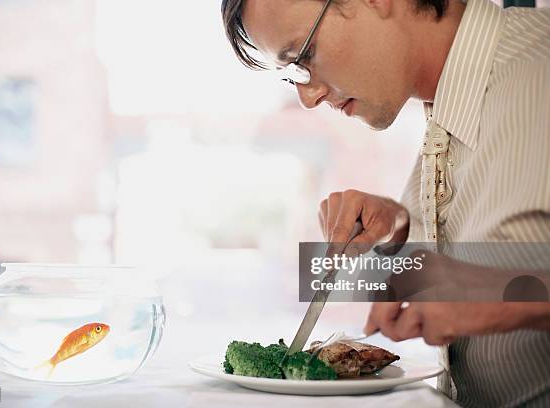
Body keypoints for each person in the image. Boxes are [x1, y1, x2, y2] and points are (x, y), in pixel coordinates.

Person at [220, 0, 550, 406]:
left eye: (304, 54)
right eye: (293, 74)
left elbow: (489, 284)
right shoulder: (445, 105)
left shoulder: (542, 66)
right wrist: (400, 224)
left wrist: (504, 293)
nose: (306, 98)